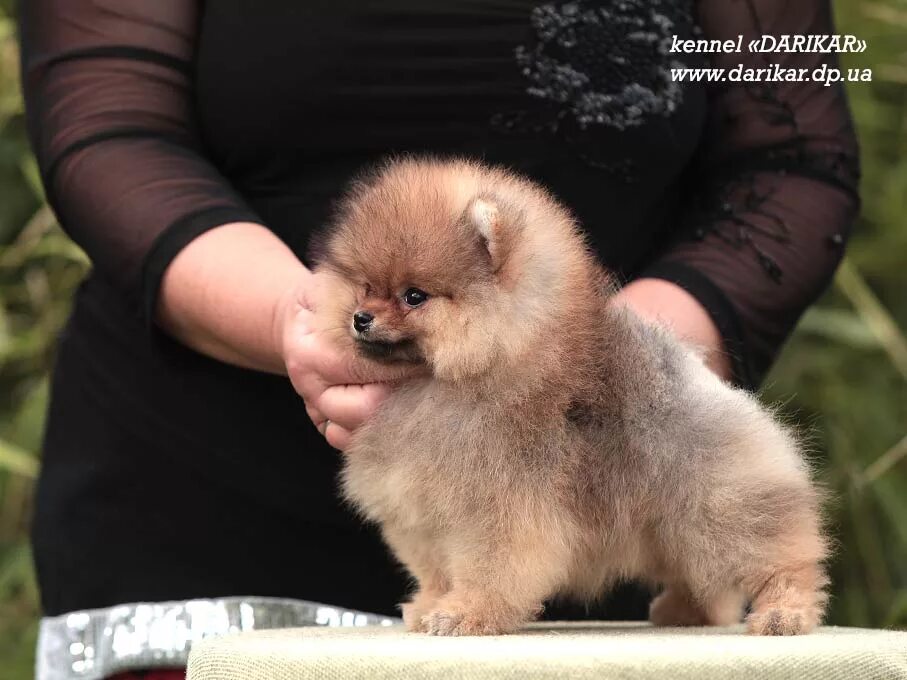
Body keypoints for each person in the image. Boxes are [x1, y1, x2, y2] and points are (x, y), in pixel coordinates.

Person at [20, 1, 858, 677]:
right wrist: (290, 317)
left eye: (411, 299)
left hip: (600, 500)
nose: (377, 314)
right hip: (196, 526)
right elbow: (110, 130)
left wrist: (630, 347)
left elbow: (795, 156)